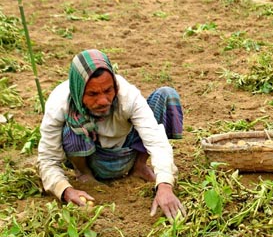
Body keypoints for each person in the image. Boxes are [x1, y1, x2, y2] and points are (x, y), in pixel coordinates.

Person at [37, 49, 186, 220]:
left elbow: (156, 140)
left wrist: (165, 185)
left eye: (108, 91)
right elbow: (47, 159)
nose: (103, 101)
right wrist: (65, 190)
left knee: (166, 96)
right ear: (79, 92)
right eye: (93, 94)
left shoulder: (128, 96)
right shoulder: (60, 103)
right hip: (92, 157)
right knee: (70, 125)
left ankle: (139, 166)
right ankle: (84, 173)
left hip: (127, 149)